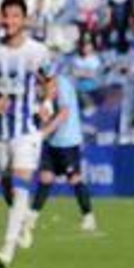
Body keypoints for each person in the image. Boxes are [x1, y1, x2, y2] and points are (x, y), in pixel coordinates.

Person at [0, 0, 53, 268]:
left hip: (26, 131)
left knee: (21, 185)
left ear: (25, 20)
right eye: (6, 16)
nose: (9, 21)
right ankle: (21, 223)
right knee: (9, 188)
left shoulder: (37, 52)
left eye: (15, 16)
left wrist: (46, 102)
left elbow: (50, 79)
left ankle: (7, 248)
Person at [25, 68, 97, 237]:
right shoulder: (44, 87)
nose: (37, 79)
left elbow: (64, 114)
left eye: (39, 76)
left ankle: (88, 217)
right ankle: (32, 217)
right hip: (52, 141)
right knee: (45, 178)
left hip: (68, 140)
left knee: (74, 179)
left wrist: (43, 133)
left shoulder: (63, 84)